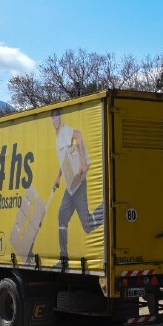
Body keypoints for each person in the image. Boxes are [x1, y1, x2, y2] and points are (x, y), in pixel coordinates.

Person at [49, 109, 104, 264]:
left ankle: (106, 209)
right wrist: (58, 178)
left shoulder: (65, 131)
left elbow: (79, 135)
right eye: (53, 119)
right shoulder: (58, 137)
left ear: (60, 118)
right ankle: (64, 256)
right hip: (70, 186)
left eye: (57, 118)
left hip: (78, 182)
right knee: (62, 216)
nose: (55, 121)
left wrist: (83, 161)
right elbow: (65, 161)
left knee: (87, 224)